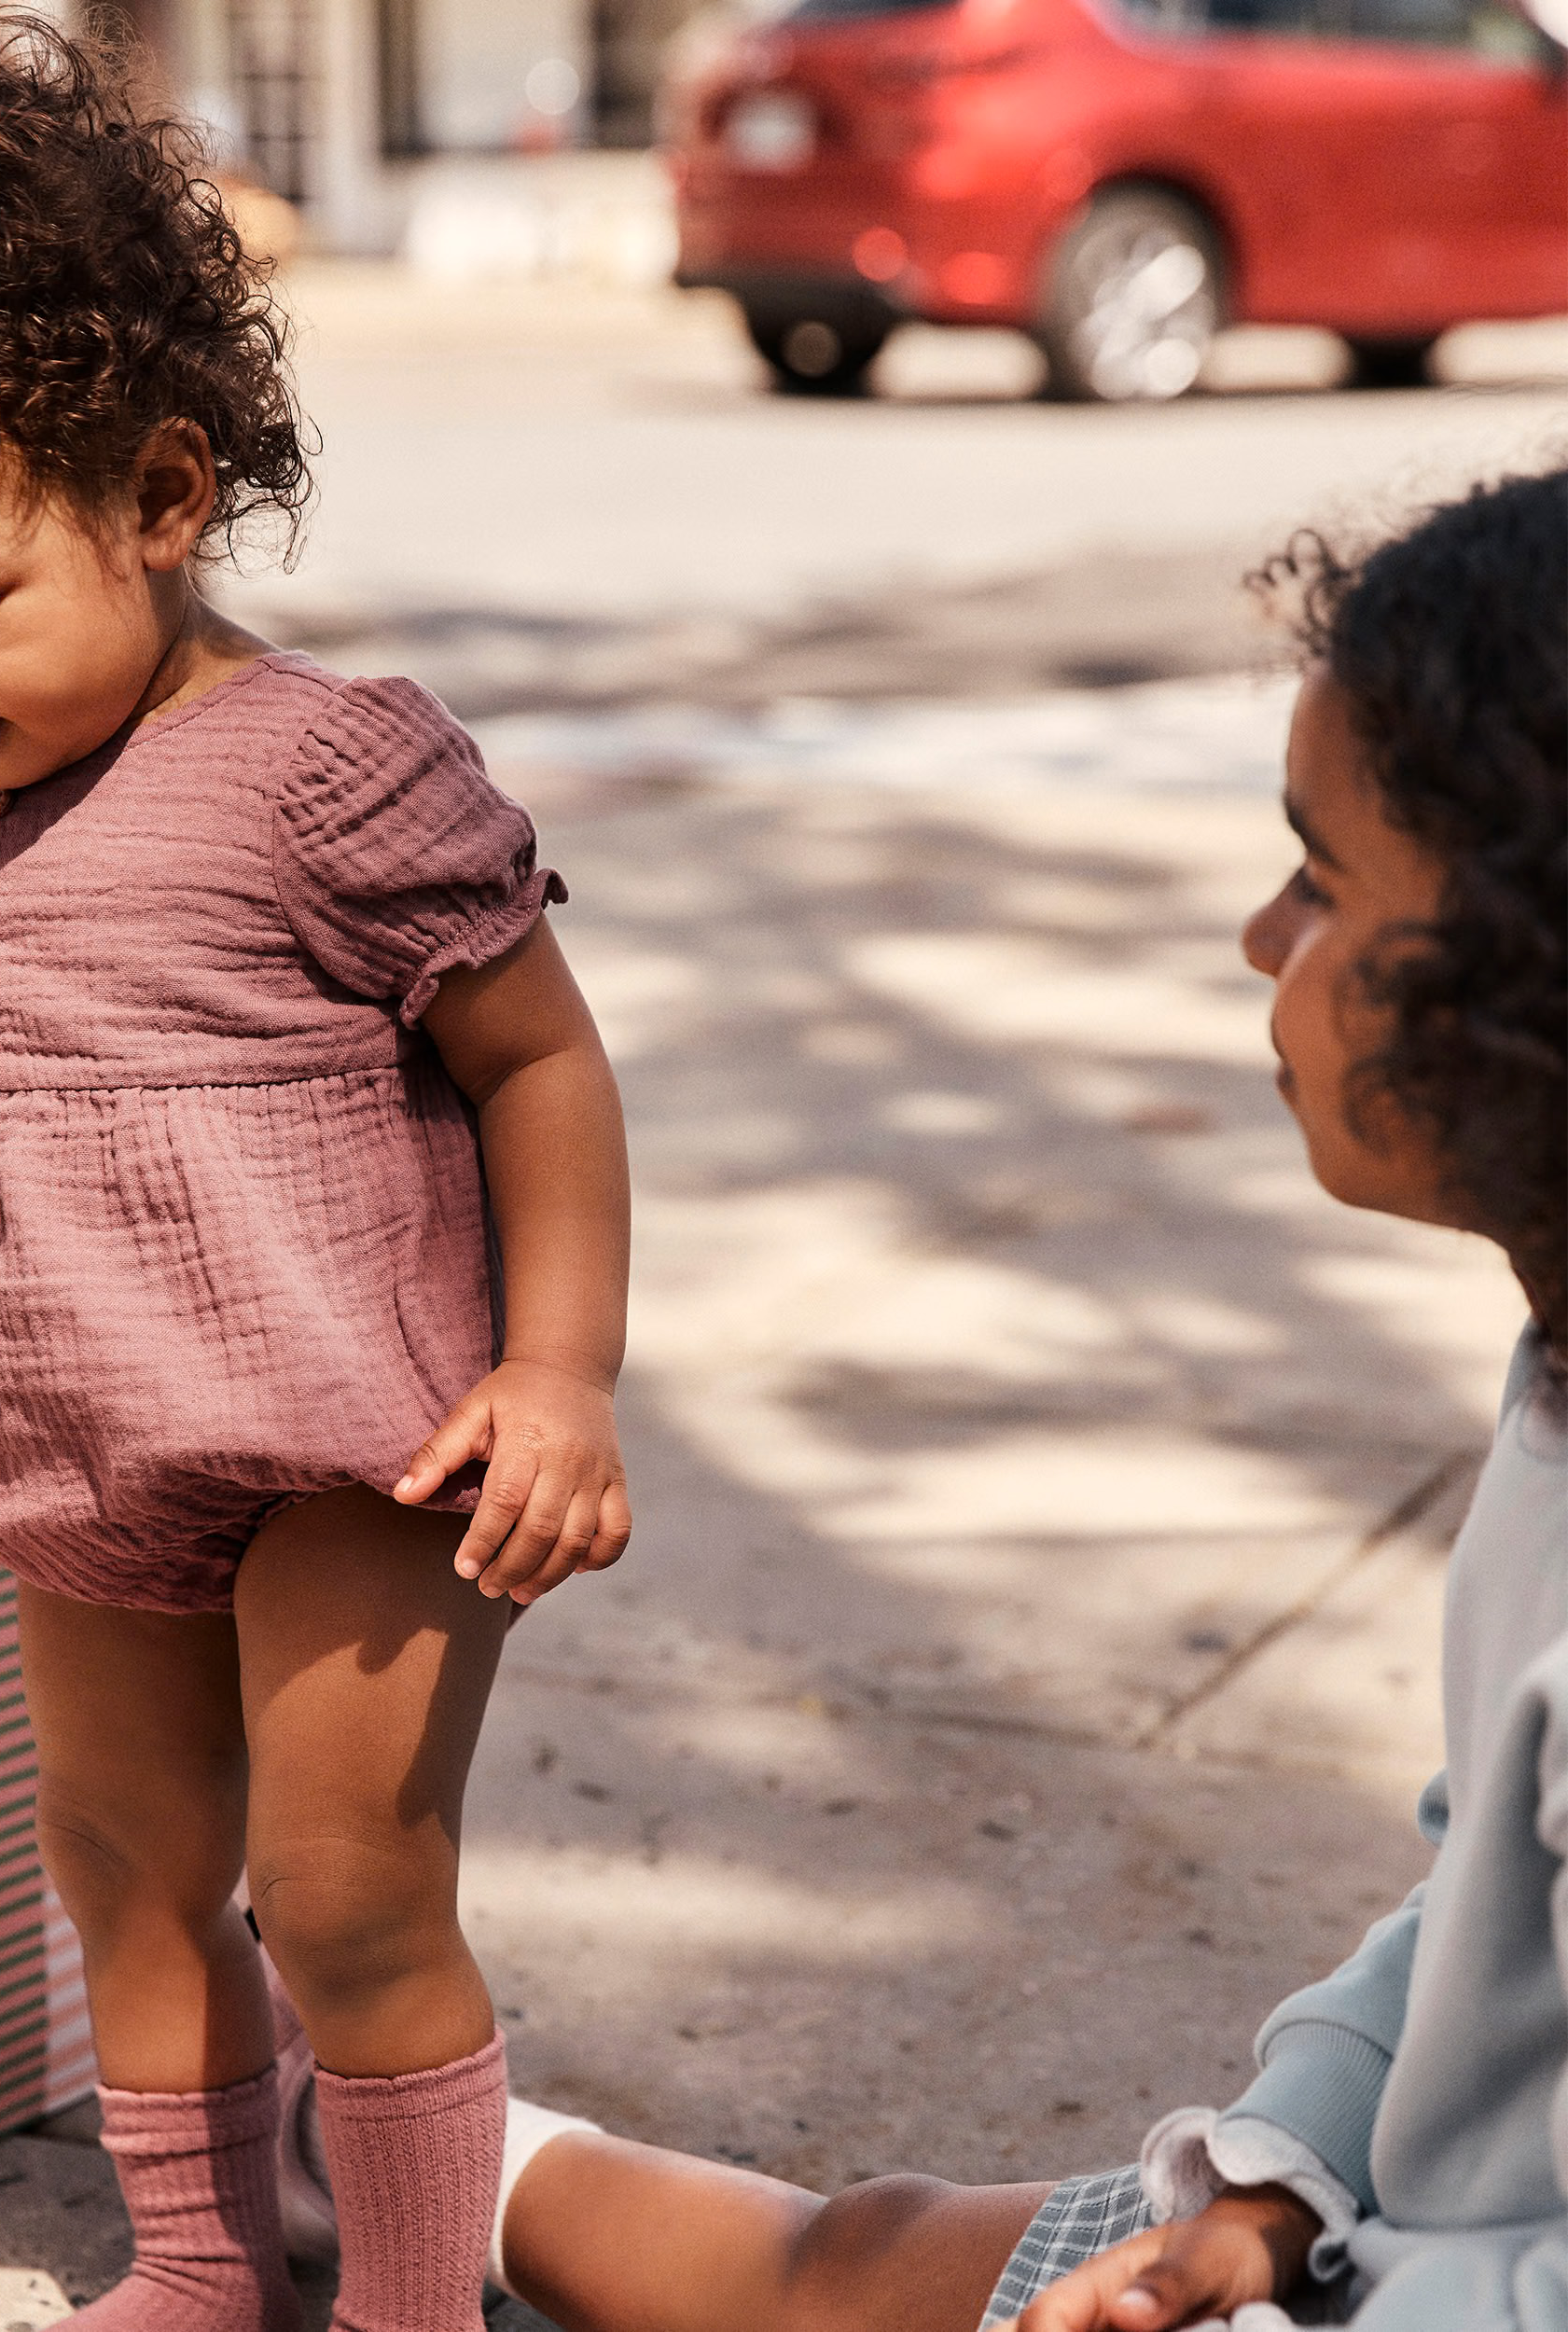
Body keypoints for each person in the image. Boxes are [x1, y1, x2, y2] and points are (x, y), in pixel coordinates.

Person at [0, 18, 632, 2332]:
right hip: (83, 1429)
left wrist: (563, 1376)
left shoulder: (328, 769)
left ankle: (412, 2304)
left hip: (362, 1428)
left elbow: (540, 1063)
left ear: (161, 489)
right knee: (122, 1862)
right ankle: (202, 2270)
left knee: (347, 1893)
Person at [474, 470, 1568, 2332]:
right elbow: (1480, 1908)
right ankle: (417, 2151)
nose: (1254, 933)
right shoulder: (1552, 1381)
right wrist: (1267, 2186)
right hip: (1365, 2251)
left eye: (1319, 873)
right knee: (861, 2245)